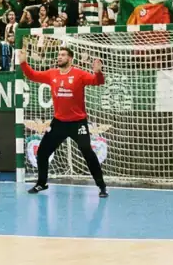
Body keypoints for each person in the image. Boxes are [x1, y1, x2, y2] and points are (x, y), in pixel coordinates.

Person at [19, 46, 108, 196]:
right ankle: (42, 183)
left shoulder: (79, 74)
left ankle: (102, 187)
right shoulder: (52, 73)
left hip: (78, 123)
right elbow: (32, 75)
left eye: (63, 55)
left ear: (70, 58)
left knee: (88, 152)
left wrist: (98, 72)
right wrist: (23, 63)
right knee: (42, 152)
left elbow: (97, 81)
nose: (59, 57)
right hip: (59, 123)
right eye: (59, 55)